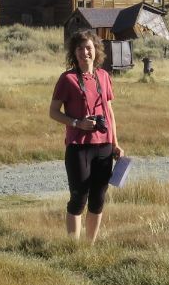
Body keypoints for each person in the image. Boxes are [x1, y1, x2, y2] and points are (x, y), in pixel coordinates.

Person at [48, 29, 122, 242]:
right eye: (79, 48)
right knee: (78, 198)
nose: (84, 52)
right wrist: (77, 123)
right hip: (78, 146)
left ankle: (89, 246)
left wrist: (115, 143)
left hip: (104, 146)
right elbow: (53, 112)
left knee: (98, 199)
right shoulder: (67, 79)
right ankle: (73, 247)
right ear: (74, 52)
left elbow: (109, 112)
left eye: (88, 48)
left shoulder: (104, 76)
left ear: (96, 50)